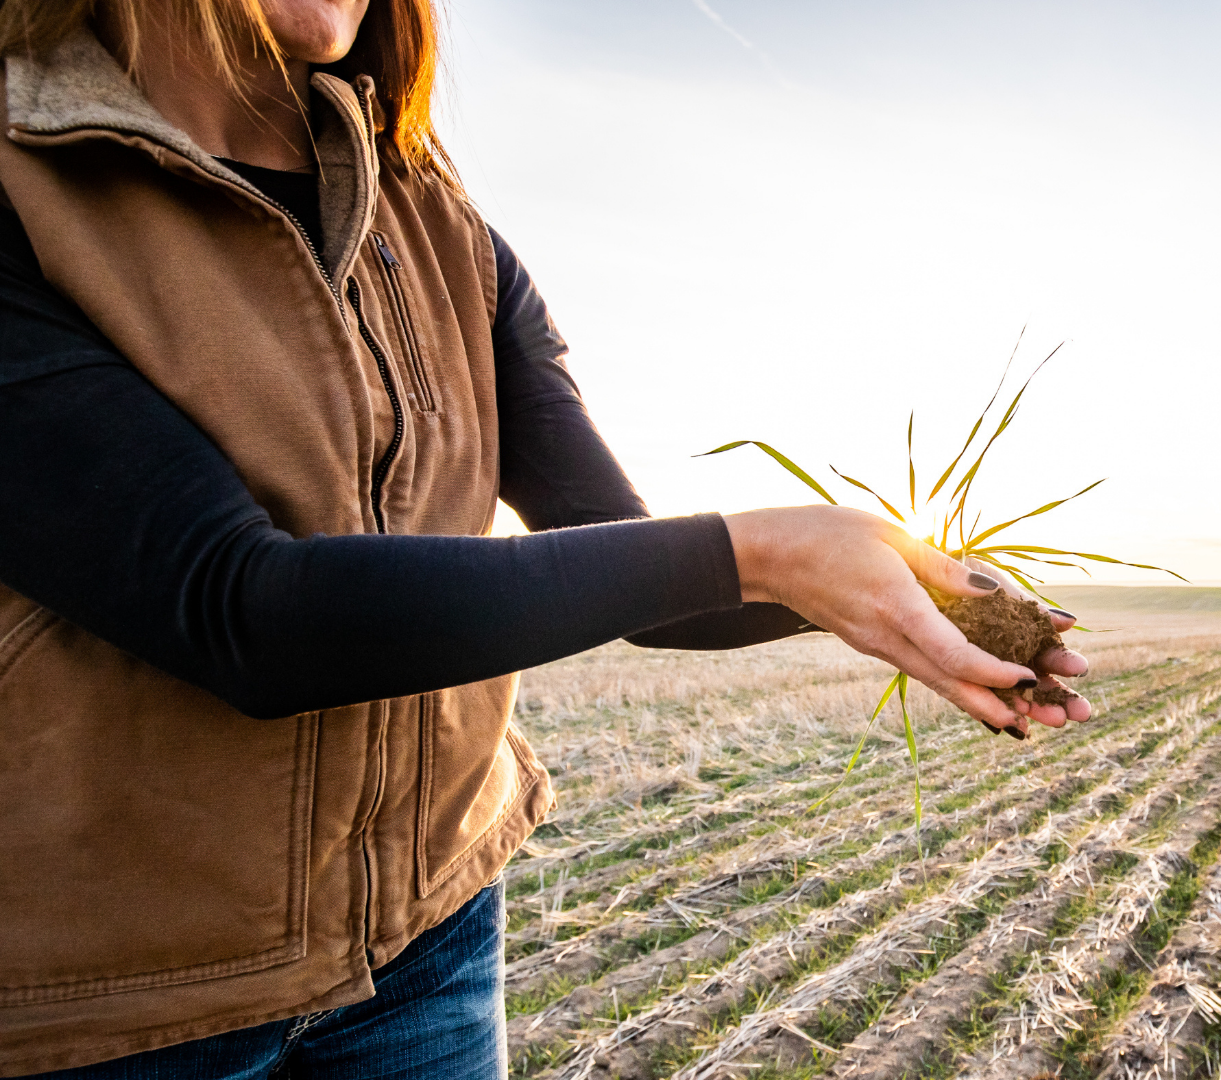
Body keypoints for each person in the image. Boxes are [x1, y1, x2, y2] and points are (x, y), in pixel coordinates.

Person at [0, 0, 1091, 1074]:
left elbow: (630, 563)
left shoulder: (442, 229)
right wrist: (765, 550)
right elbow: (242, 611)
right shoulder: (25, 188)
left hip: (424, 956)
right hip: (114, 1011)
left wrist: (908, 589)